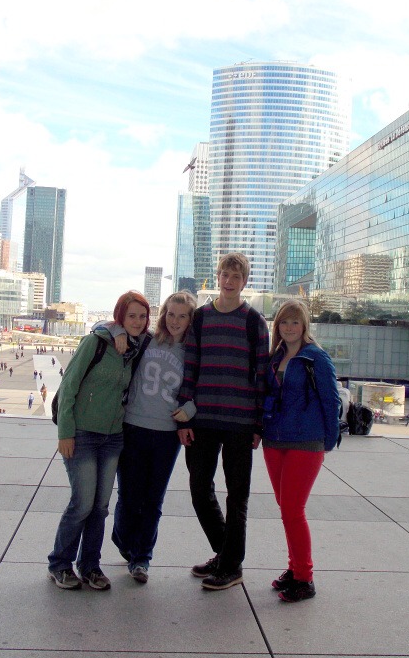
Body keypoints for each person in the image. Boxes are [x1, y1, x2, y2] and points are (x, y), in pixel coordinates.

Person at [176, 253, 270, 591]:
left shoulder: (254, 322)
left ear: (244, 281)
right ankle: (227, 555)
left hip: (240, 423)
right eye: (224, 275)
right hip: (202, 419)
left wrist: (258, 425)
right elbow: (190, 368)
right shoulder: (201, 318)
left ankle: (230, 565)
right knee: (200, 490)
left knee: (237, 496)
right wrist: (183, 417)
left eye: (236, 276)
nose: (229, 281)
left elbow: (262, 377)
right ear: (217, 277)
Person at [47, 290, 148, 591]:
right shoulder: (96, 343)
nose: (137, 321)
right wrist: (65, 432)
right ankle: (60, 564)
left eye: (142, 316)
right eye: (131, 316)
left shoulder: (135, 349)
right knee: (82, 503)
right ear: (120, 317)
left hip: (113, 438)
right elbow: (69, 387)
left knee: (100, 507)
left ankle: (90, 565)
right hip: (82, 435)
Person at [103, 291, 197, 584]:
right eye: (171, 314)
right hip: (133, 427)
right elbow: (101, 327)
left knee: (153, 499)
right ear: (163, 315)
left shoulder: (193, 352)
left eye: (182, 316)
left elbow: (204, 386)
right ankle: (124, 540)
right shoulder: (146, 340)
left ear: (191, 319)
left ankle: (142, 558)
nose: (175, 321)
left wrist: (191, 408)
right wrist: (118, 331)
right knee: (129, 496)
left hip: (167, 435)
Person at [262, 300, 340, 603]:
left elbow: (331, 401)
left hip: (306, 442)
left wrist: (327, 441)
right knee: (286, 509)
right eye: (284, 322)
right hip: (275, 441)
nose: (289, 327)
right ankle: (294, 568)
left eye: (295, 322)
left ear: (304, 325)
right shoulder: (275, 356)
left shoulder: (316, 358)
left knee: (294, 510)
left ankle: (305, 579)